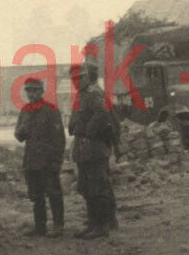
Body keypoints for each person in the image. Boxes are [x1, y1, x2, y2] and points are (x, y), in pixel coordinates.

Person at [67, 60, 117, 240]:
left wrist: (89, 130)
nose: (77, 81)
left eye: (80, 78)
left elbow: (102, 112)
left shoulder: (93, 93)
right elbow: (75, 118)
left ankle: (102, 225)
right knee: (87, 188)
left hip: (94, 147)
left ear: (87, 76)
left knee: (98, 187)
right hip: (83, 148)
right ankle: (94, 222)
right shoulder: (80, 95)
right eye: (74, 79)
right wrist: (72, 126)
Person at [14, 77, 66, 237]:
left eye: (35, 90)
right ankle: (40, 226)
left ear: (41, 91)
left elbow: (59, 139)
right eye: (28, 91)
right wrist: (23, 128)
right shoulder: (25, 110)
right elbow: (18, 136)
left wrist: (56, 161)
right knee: (36, 195)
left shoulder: (51, 110)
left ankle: (58, 226)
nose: (31, 94)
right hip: (31, 160)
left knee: (53, 193)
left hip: (47, 160)